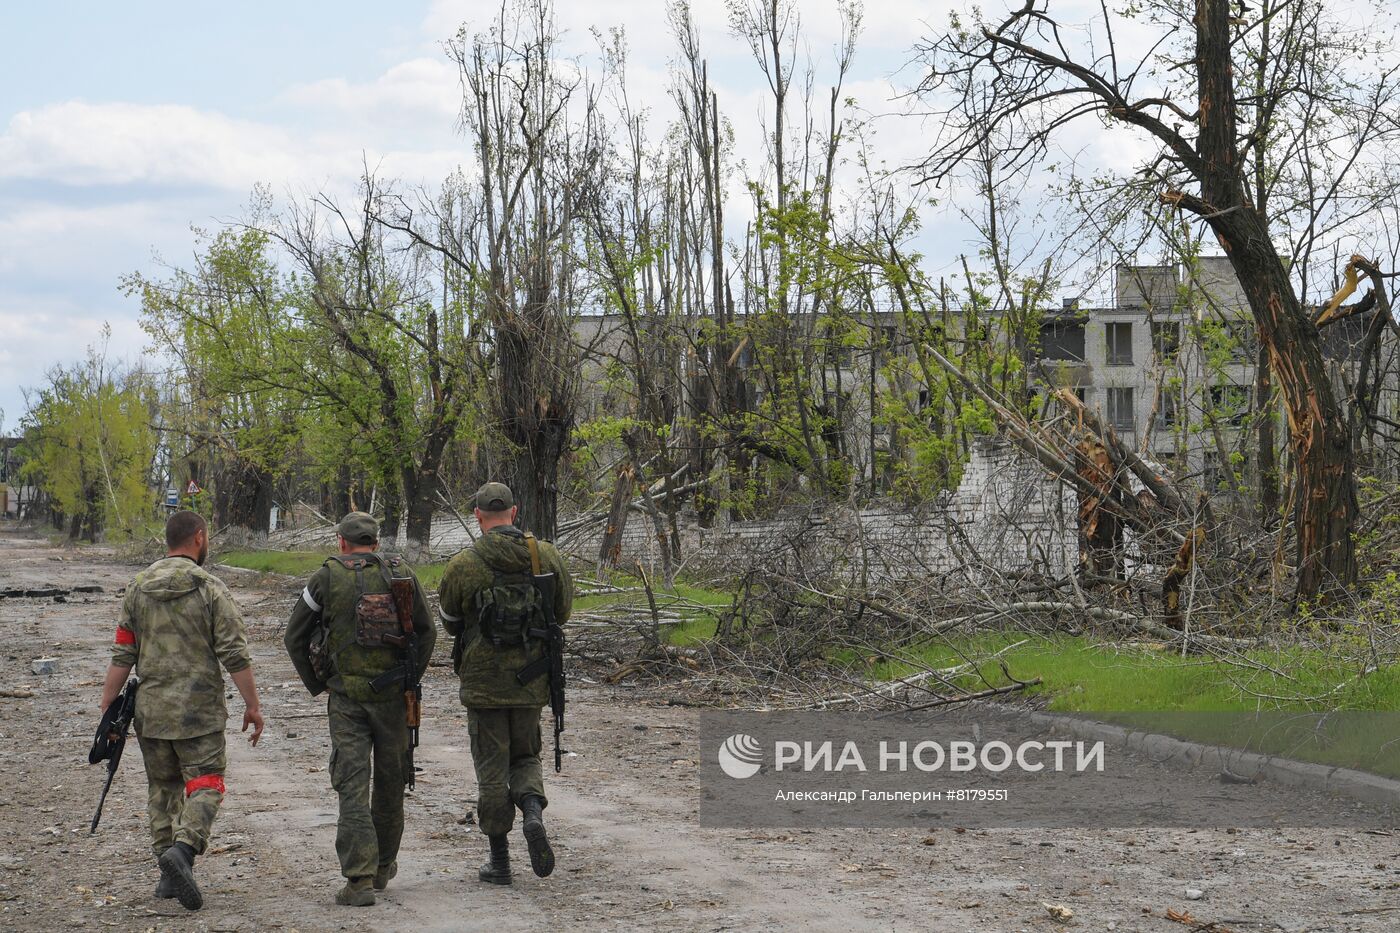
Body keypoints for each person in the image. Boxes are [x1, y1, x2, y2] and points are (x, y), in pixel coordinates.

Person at [101, 510, 264, 911]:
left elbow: (123, 652)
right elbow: (234, 653)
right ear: (199, 537)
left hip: (151, 713)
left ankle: (166, 874)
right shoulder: (211, 590)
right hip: (199, 711)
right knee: (207, 783)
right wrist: (252, 705)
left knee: (163, 788)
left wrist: (108, 707)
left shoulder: (136, 589)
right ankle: (184, 851)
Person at [284, 511, 435, 907]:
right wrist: (409, 677)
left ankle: (359, 879)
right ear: (375, 540)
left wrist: (320, 684)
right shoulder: (401, 572)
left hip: (347, 699)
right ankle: (384, 866)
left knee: (351, 786)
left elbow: (294, 637)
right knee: (390, 783)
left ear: (342, 542)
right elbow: (427, 630)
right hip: (394, 699)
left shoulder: (326, 577)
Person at [437, 482, 572, 885]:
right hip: (531, 681)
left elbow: (450, 621)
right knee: (526, 756)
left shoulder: (465, 563)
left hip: (483, 685)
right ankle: (532, 810)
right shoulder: (544, 555)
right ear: (514, 513)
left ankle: (499, 862)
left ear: (478, 517)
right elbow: (561, 613)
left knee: (491, 769)